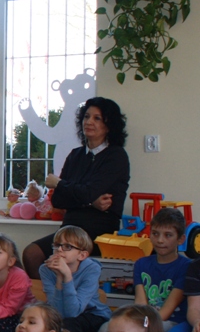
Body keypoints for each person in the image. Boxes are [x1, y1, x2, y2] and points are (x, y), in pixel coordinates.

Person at [22, 97, 130, 279]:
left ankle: (66, 295)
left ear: (109, 125)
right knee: (31, 254)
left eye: (97, 118)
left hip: (98, 232)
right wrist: (91, 202)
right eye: (86, 117)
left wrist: (59, 183)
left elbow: (86, 192)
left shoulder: (116, 156)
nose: (89, 122)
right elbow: (58, 200)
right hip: (69, 228)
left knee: (64, 260)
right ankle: (50, 297)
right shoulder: (75, 155)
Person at [40, 225, 111, 332]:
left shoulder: (92, 269)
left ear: (82, 255)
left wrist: (67, 276)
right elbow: (57, 312)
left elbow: (73, 311)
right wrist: (59, 278)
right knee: (49, 324)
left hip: (94, 316)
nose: (59, 250)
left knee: (69, 324)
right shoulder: (46, 270)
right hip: (65, 319)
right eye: (57, 245)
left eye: (67, 247)